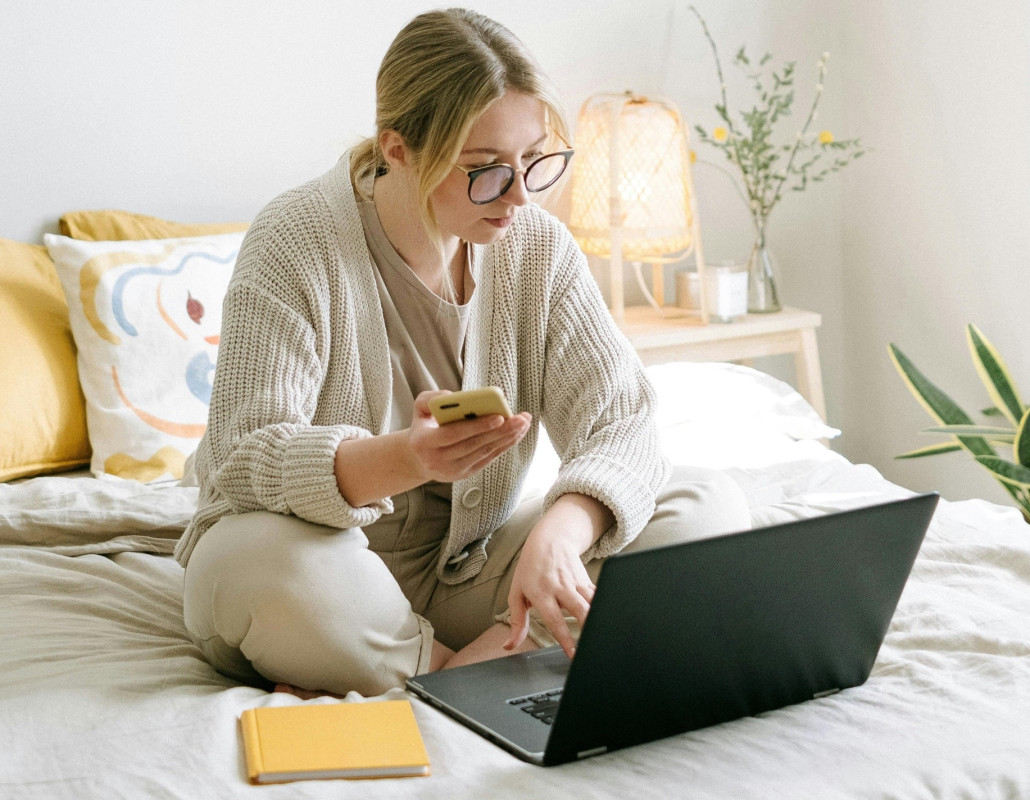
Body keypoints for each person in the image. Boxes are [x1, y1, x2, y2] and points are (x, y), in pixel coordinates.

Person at [176, 7, 750, 698]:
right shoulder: (293, 240)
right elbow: (243, 455)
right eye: (484, 170)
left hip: (468, 576)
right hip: (325, 574)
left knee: (703, 503)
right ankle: (491, 666)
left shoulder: (536, 246)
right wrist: (407, 458)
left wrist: (562, 534)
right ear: (398, 149)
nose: (517, 197)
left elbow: (621, 423)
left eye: (535, 161)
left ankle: (458, 672)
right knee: (251, 563)